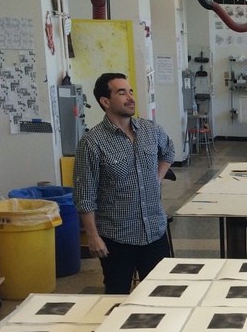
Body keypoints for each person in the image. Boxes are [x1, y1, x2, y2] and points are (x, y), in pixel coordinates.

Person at [73, 73, 175, 293]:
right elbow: (84, 194)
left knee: (161, 295)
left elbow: (169, 151)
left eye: (130, 91)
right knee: (116, 297)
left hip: (154, 232)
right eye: (121, 92)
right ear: (105, 101)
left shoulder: (150, 130)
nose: (130, 97)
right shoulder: (92, 143)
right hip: (118, 238)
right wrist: (92, 236)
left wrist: (157, 178)